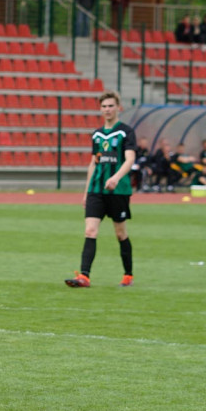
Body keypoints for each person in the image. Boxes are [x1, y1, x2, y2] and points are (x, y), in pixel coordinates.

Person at [65, 91, 137, 289]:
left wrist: (115, 178)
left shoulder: (126, 132)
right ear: (100, 109)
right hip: (97, 190)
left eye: (111, 106)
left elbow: (130, 159)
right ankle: (84, 276)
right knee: (90, 230)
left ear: (118, 108)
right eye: (104, 106)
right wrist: (86, 192)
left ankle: (128, 274)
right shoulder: (97, 135)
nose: (107, 109)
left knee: (120, 233)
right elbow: (94, 163)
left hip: (118, 191)